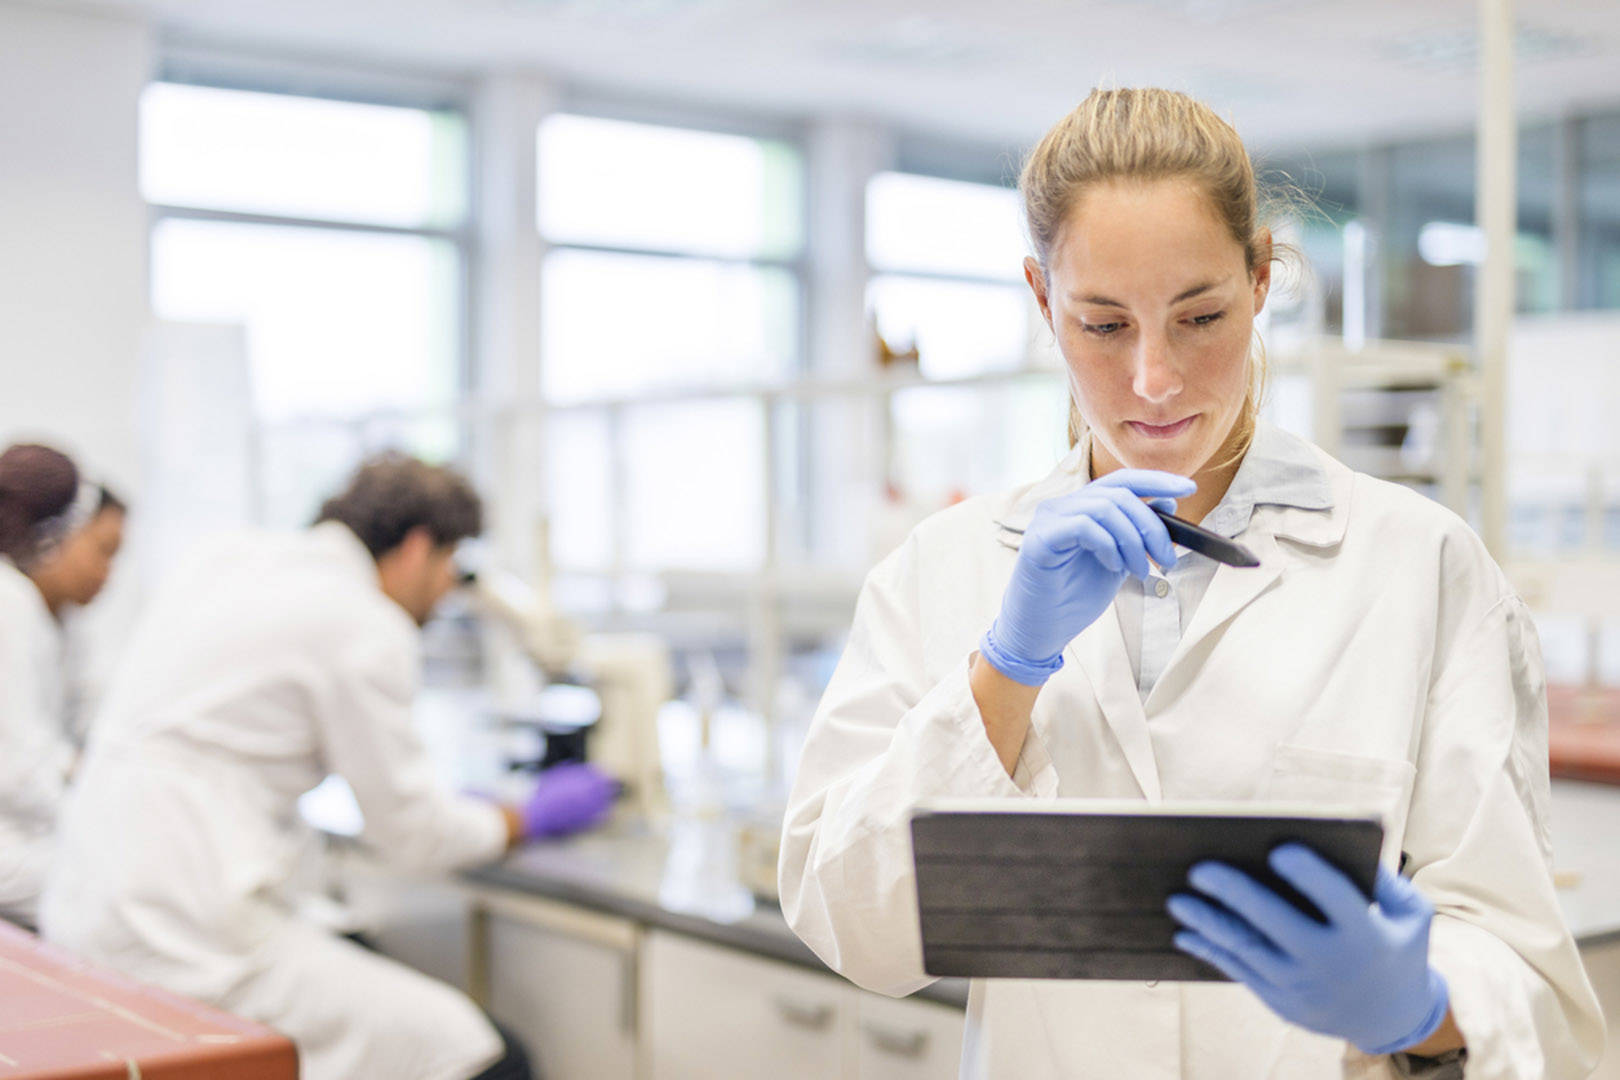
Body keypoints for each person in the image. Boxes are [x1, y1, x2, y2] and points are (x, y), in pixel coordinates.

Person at [779, 88, 1605, 1079]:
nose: (1156, 377)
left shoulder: (1421, 565)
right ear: (1043, 300)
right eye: (1103, 324)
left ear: (1261, 278)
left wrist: (1417, 1005)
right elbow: (851, 927)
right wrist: (1005, 670)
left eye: (1200, 315)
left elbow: (1535, 991)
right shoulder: (943, 569)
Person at [43, 453, 616, 1080]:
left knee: (364, 972)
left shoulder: (227, 558)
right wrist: (523, 817)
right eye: (452, 564)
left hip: (83, 901)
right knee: (473, 1051)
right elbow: (413, 835)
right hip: (189, 933)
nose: (450, 589)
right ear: (419, 547)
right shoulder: (366, 624)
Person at [0, 443, 125, 926]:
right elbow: (20, 769)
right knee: (113, 889)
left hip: (22, 827)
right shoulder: (10, 602)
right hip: (13, 838)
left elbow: (87, 713)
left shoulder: (51, 616)